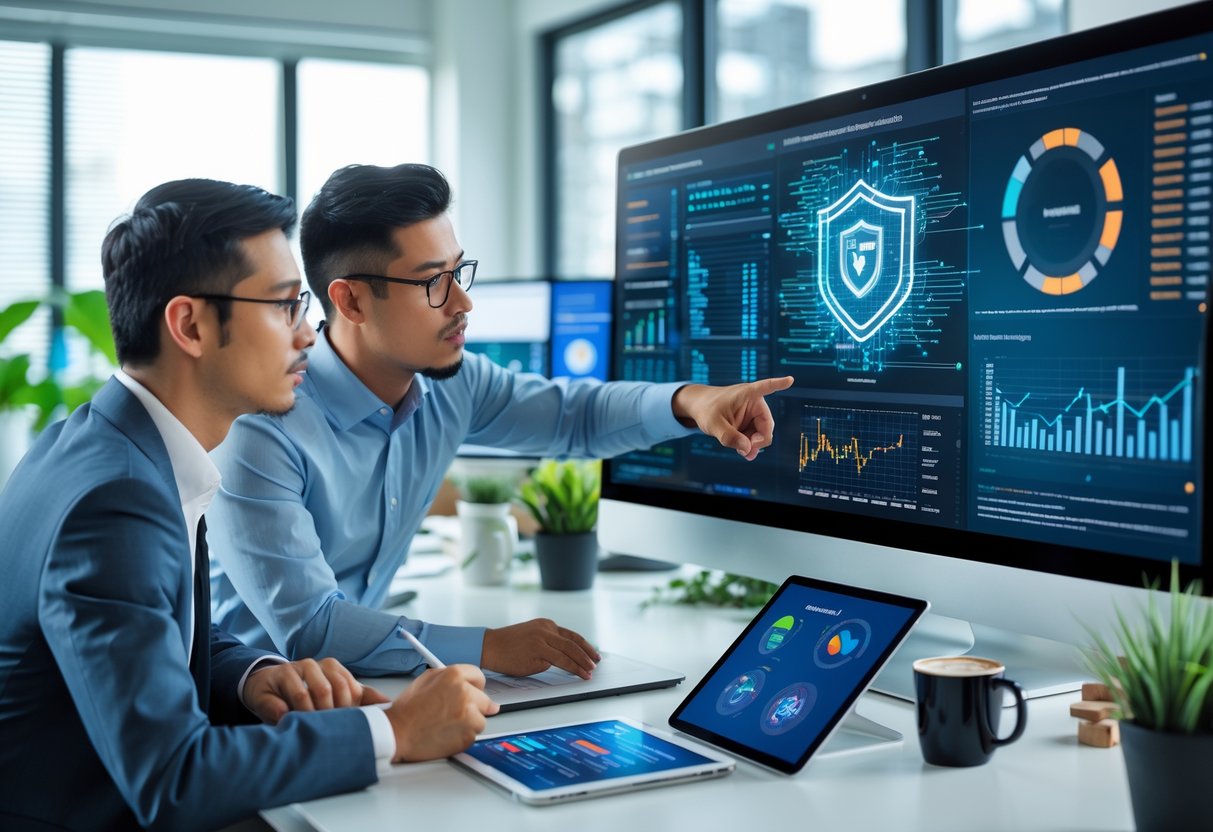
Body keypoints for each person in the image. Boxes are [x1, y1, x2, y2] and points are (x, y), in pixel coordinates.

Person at [0, 179, 497, 832]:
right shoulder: (116, 501)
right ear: (190, 325)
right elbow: (173, 779)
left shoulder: (108, 441)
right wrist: (394, 729)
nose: (308, 337)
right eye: (287, 306)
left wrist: (249, 676)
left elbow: (152, 628)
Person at [206, 162, 794, 678]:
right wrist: (487, 647)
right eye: (433, 282)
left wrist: (692, 402)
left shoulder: (451, 384)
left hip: (363, 687)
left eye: (459, 272)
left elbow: (574, 416)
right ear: (352, 301)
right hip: (252, 713)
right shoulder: (260, 426)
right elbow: (311, 627)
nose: (463, 303)